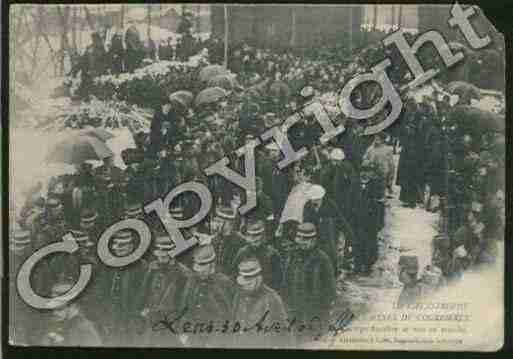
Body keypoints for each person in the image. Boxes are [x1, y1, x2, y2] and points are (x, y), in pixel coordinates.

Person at [283, 223, 336, 341]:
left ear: (314, 240)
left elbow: (330, 289)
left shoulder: (322, 259)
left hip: (315, 311)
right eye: (299, 238)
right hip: (295, 309)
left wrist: (324, 310)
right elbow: (286, 281)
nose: (302, 242)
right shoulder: (292, 256)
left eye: (306, 239)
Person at [137, 235, 191, 347]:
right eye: (159, 256)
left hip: (171, 322)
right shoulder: (152, 267)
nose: (160, 259)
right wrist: (143, 309)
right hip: (151, 319)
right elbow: (143, 291)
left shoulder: (183, 273)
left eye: (165, 256)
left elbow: (185, 303)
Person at [178, 244, 235, 347]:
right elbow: (184, 307)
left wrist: (216, 341)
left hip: (215, 339)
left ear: (212, 265)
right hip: (194, 338)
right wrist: (183, 332)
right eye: (197, 268)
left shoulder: (224, 283)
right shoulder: (192, 280)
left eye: (203, 268)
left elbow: (229, 316)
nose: (199, 272)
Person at [230, 258, 290, 348]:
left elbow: (285, 332)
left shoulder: (272, 298)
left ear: (259, 279)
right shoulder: (238, 296)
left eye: (249, 283)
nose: (245, 287)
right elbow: (233, 323)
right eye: (243, 284)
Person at [102, 229, 147, 346]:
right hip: (113, 316)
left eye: (122, 245)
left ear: (131, 246)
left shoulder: (141, 266)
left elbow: (145, 293)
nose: (117, 248)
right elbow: (104, 289)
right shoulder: (109, 264)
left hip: (132, 317)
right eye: (115, 244)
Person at [302, 184, 355, 274]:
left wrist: (349, 236)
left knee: (330, 256)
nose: (315, 201)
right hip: (314, 236)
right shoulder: (307, 206)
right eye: (313, 199)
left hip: (329, 236)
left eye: (317, 199)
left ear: (322, 197)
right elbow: (306, 222)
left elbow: (341, 220)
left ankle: (333, 275)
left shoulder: (330, 205)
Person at [231, 221, 283, 293]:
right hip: (245, 292)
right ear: (247, 236)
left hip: (265, 294)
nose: (254, 239)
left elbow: (278, 281)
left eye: (257, 235)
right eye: (250, 235)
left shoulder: (272, 254)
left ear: (263, 235)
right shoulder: (242, 253)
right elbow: (234, 275)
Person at [209, 206, 245, 275]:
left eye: (219, 222)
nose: (216, 225)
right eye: (217, 221)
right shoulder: (215, 239)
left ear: (228, 223)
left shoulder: (240, 241)